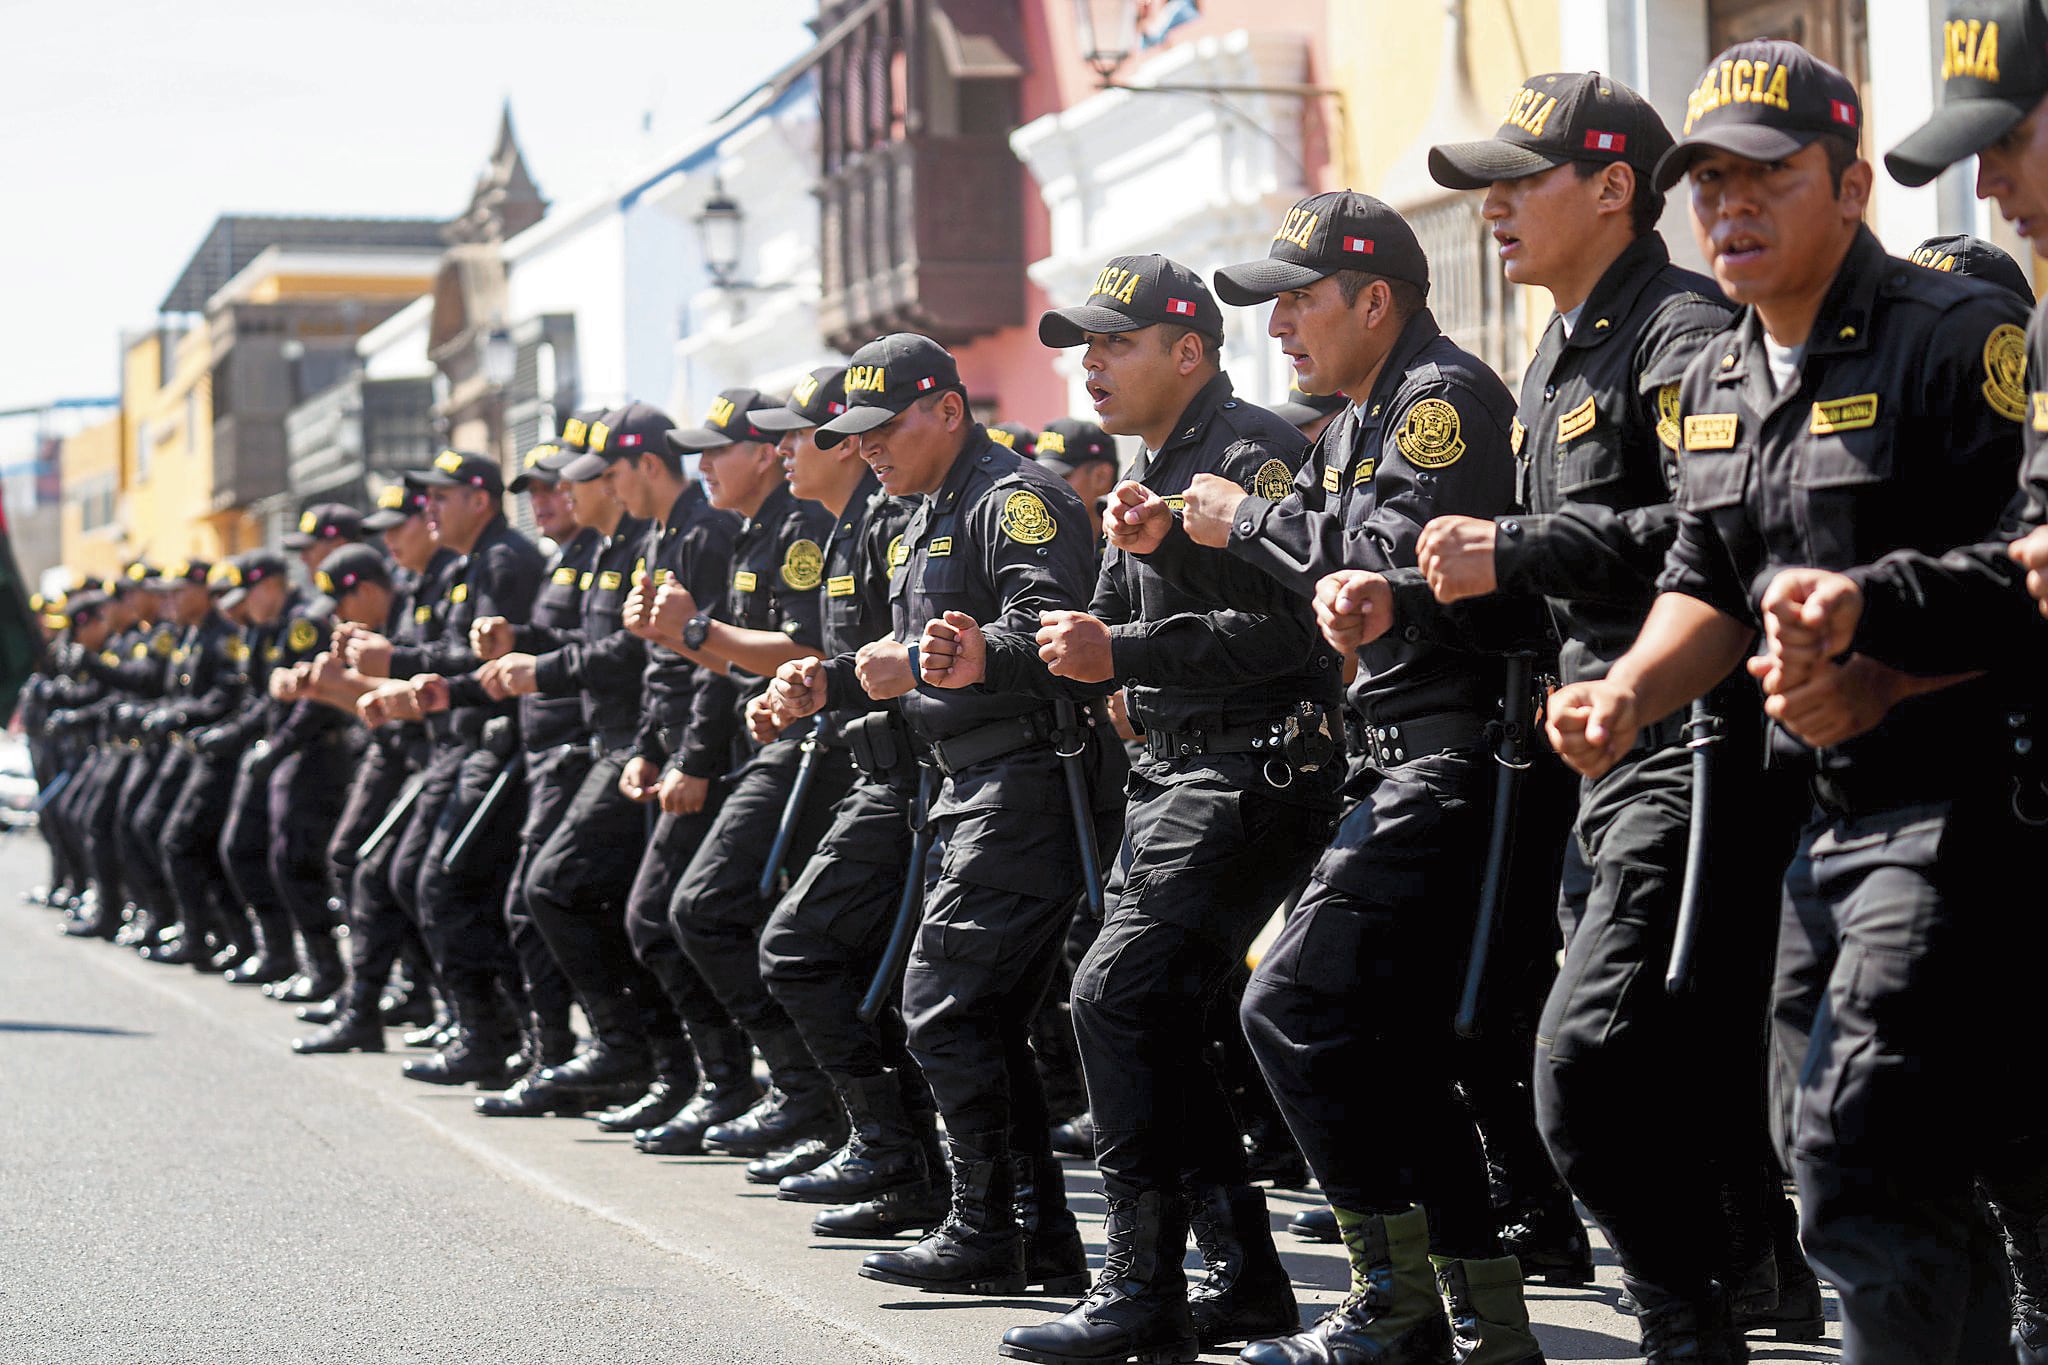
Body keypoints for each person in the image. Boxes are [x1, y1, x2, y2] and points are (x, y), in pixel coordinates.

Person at [1543, 39, 2035, 1365]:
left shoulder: (1958, 340)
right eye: (1707, 187)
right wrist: (1629, 696)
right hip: (1819, 809)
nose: (1730, 211)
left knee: (1856, 1132)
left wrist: (1875, 645)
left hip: (1970, 801)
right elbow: (1707, 570)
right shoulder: (1718, 374)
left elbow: (2030, 575)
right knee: (1836, 1147)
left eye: (1765, 179)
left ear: (1853, 185)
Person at [1412, 70, 1821, 1354]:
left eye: (1516, 180)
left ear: (1607, 190)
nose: (1491, 208)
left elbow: (1706, 537)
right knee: (1669, 1069)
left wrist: (1518, 547)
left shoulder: (1681, 329)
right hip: (1591, 747)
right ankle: (1741, 1295)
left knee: (1586, 1066)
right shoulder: (1559, 345)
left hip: (1685, 741)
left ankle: (1685, 1325)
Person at [1115, 190, 1536, 1362]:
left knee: (1290, 1006)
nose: (1281, 326)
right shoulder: (1354, 419)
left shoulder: (1437, 400)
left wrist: (1241, 517)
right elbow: (1312, 571)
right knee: (1388, 1045)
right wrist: (1185, 539)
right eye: (1275, 304)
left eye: (1299, 301)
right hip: (1386, 757)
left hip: (1449, 754)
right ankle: (1485, 1325)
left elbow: (1374, 566)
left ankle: (1394, 1306)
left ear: (1375, 300)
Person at [962, 254, 1337, 1364]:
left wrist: (1119, 648)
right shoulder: (1160, 460)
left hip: (1253, 772)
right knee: (1164, 1017)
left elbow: (1302, 637)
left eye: (1112, 343)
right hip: (1175, 776)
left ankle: (1138, 1285)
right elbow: (1102, 626)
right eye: (1084, 347)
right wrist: (989, 658)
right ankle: (1243, 1276)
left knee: (1114, 998)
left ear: (1187, 350)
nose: (1088, 367)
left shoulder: (1248, 453)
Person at [773, 333, 1120, 1297]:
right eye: (857, 433)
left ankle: (989, 1228)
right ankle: (1029, 1237)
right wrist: (833, 681)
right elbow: (916, 652)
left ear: (948, 411)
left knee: (947, 1005)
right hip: (965, 783)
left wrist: (924, 662)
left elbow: (1044, 630)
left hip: (1028, 783)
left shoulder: (1013, 499)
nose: (869, 446)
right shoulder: (930, 509)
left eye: (884, 426)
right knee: (978, 1013)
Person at [348, 449, 544, 1088]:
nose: (428, 507)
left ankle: (505, 1034)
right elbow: (465, 655)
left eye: (442, 495)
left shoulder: (504, 559)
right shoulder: (475, 561)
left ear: (479, 499)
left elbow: (481, 658)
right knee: (419, 878)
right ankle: (487, 1030)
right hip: (462, 742)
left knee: (449, 884)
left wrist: (398, 660)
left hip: (496, 744)